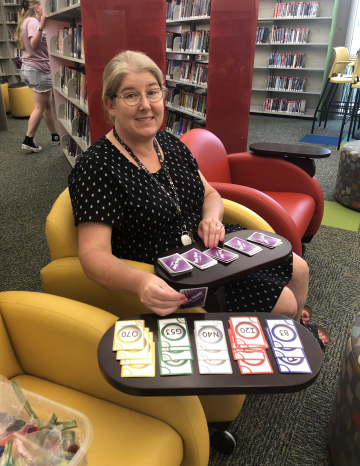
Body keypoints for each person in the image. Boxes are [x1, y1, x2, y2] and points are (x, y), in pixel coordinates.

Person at [68, 50, 329, 347]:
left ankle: (289, 337)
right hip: (171, 268)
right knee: (283, 303)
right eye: (130, 95)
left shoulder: (168, 143)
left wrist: (211, 218)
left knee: (300, 269)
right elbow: (92, 255)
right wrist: (139, 282)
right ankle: (280, 341)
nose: (145, 105)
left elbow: (211, 194)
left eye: (153, 92)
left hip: (211, 245)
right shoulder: (96, 167)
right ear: (110, 105)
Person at [15, 0, 60, 153]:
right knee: (39, 108)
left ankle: (55, 136)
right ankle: (28, 139)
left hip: (31, 68)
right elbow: (34, 45)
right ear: (37, 7)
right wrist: (42, 25)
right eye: (44, 6)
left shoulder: (25, 21)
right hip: (39, 69)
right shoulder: (34, 22)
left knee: (47, 105)